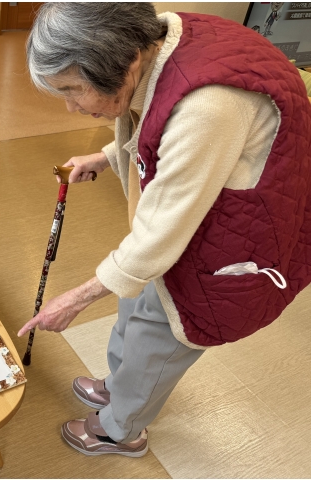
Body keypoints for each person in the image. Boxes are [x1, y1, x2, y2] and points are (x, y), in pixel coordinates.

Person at [18, 3, 311, 457]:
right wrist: (106, 156)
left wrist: (74, 299)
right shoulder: (157, 38)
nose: (72, 106)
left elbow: (162, 230)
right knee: (132, 306)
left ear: (126, 61)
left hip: (224, 244)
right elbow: (159, 129)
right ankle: (119, 385)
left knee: (158, 342)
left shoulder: (207, 104)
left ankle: (121, 429)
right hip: (191, 218)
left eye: (73, 89)